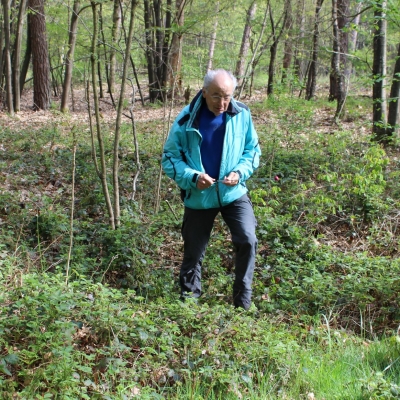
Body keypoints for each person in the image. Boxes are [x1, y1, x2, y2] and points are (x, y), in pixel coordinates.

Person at [162, 69, 261, 310]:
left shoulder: (242, 114)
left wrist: (239, 173)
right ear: (204, 92)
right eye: (216, 96)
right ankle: (189, 306)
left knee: (248, 239)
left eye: (227, 96)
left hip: (233, 193)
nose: (222, 103)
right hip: (199, 197)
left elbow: (252, 150)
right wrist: (193, 177)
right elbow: (170, 157)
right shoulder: (186, 119)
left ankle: (242, 303)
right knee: (193, 253)